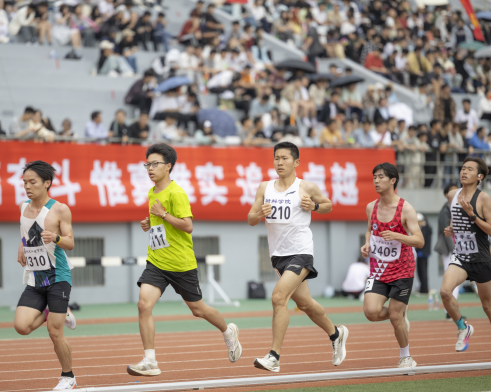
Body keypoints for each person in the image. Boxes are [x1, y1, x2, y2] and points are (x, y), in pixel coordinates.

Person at [127, 144, 242, 376]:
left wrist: (162, 215)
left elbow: (187, 226)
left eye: (155, 164)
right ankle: (150, 361)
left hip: (181, 264)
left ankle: (228, 331)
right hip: (157, 261)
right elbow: (160, 222)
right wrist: (150, 223)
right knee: (143, 305)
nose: (150, 168)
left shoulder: (176, 193)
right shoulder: (152, 192)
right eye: (147, 164)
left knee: (198, 310)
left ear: (168, 166)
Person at [248, 142, 349, 372]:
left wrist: (314, 205)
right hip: (278, 256)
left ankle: (274, 357)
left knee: (278, 298)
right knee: (305, 304)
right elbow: (250, 219)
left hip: (301, 252)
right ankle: (336, 334)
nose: (279, 162)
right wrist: (260, 214)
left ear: (296, 162)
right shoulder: (265, 187)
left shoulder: (306, 186)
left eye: (284, 158)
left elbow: (328, 205)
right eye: (276, 158)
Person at [13, 161, 78, 390]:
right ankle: (54, 312)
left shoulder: (59, 209)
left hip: (58, 276)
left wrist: (56, 238)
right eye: (24, 182)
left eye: (32, 182)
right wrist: (21, 246)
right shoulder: (23, 207)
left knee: (54, 331)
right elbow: (25, 234)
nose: (27, 187)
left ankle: (68, 377)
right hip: (35, 277)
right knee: (21, 326)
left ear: (47, 183)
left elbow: (70, 242)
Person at [440, 157, 491, 361]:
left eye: (469, 169)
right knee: (445, 292)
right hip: (461, 256)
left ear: (480, 176)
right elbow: (455, 216)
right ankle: (463, 328)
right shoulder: (453, 195)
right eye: (463, 168)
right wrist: (452, 228)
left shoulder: (483, 198)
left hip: (480, 258)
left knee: (488, 306)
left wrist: (472, 215)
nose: (464, 171)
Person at [361, 163, 424, 368]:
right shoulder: (371, 207)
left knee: (395, 317)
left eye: (381, 177)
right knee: (371, 312)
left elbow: (419, 241)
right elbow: (370, 230)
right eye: (374, 177)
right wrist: (367, 243)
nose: (376, 181)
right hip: (378, 269)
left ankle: (406, 356)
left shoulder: (405, 208)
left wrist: (397, 236)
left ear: (393, 180)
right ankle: (401, 312)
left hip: (402, 270)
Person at [434, 183, 459, 319]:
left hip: (458, 248)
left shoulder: (459, 206)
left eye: (457, 190)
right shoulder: (445, 210)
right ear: (446, 195)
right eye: (452, 191)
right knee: (451, 279)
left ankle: (453, 311)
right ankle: (449, 311)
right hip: (450, 249)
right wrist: (454, 249)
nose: (455, 192)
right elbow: (446, 233)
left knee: (456, 281)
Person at [415, 213, 432, 294]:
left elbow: (421, 241)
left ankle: (424, 289)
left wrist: (415, 248)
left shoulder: (424, 229)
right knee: (423, 271)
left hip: (422, 253)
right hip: (424, 253)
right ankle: (423, 289)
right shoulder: (427, 228)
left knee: (422, 272)